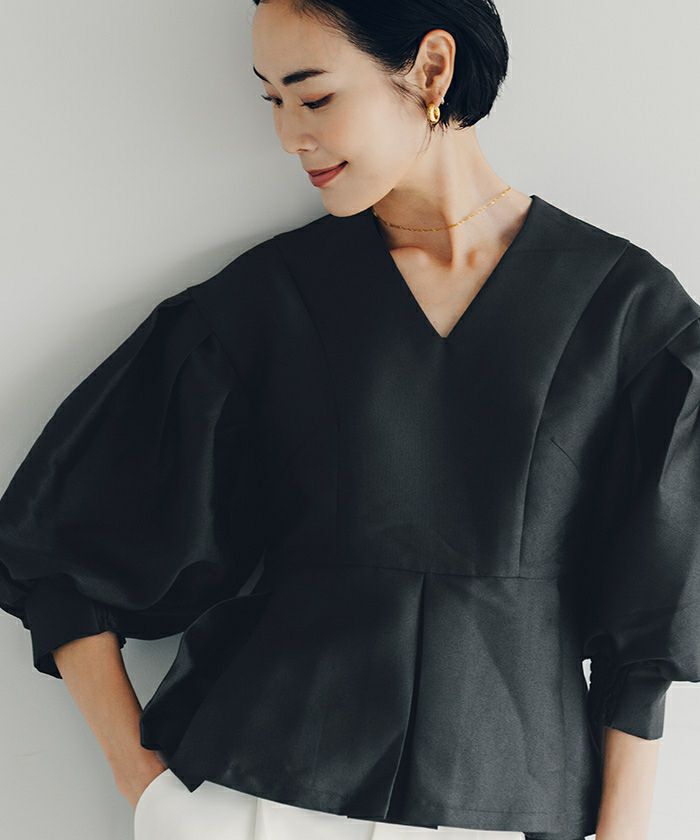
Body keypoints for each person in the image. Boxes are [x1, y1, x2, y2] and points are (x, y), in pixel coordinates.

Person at [1, 1, 698, 839]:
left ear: (431, 70)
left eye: (315, 96)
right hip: (260, 798)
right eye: (272, 100)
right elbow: (61, 548)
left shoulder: (628, 311)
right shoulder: (265, 303)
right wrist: (143, 784)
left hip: (510, 800)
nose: (288, 135)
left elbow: (652, 624)